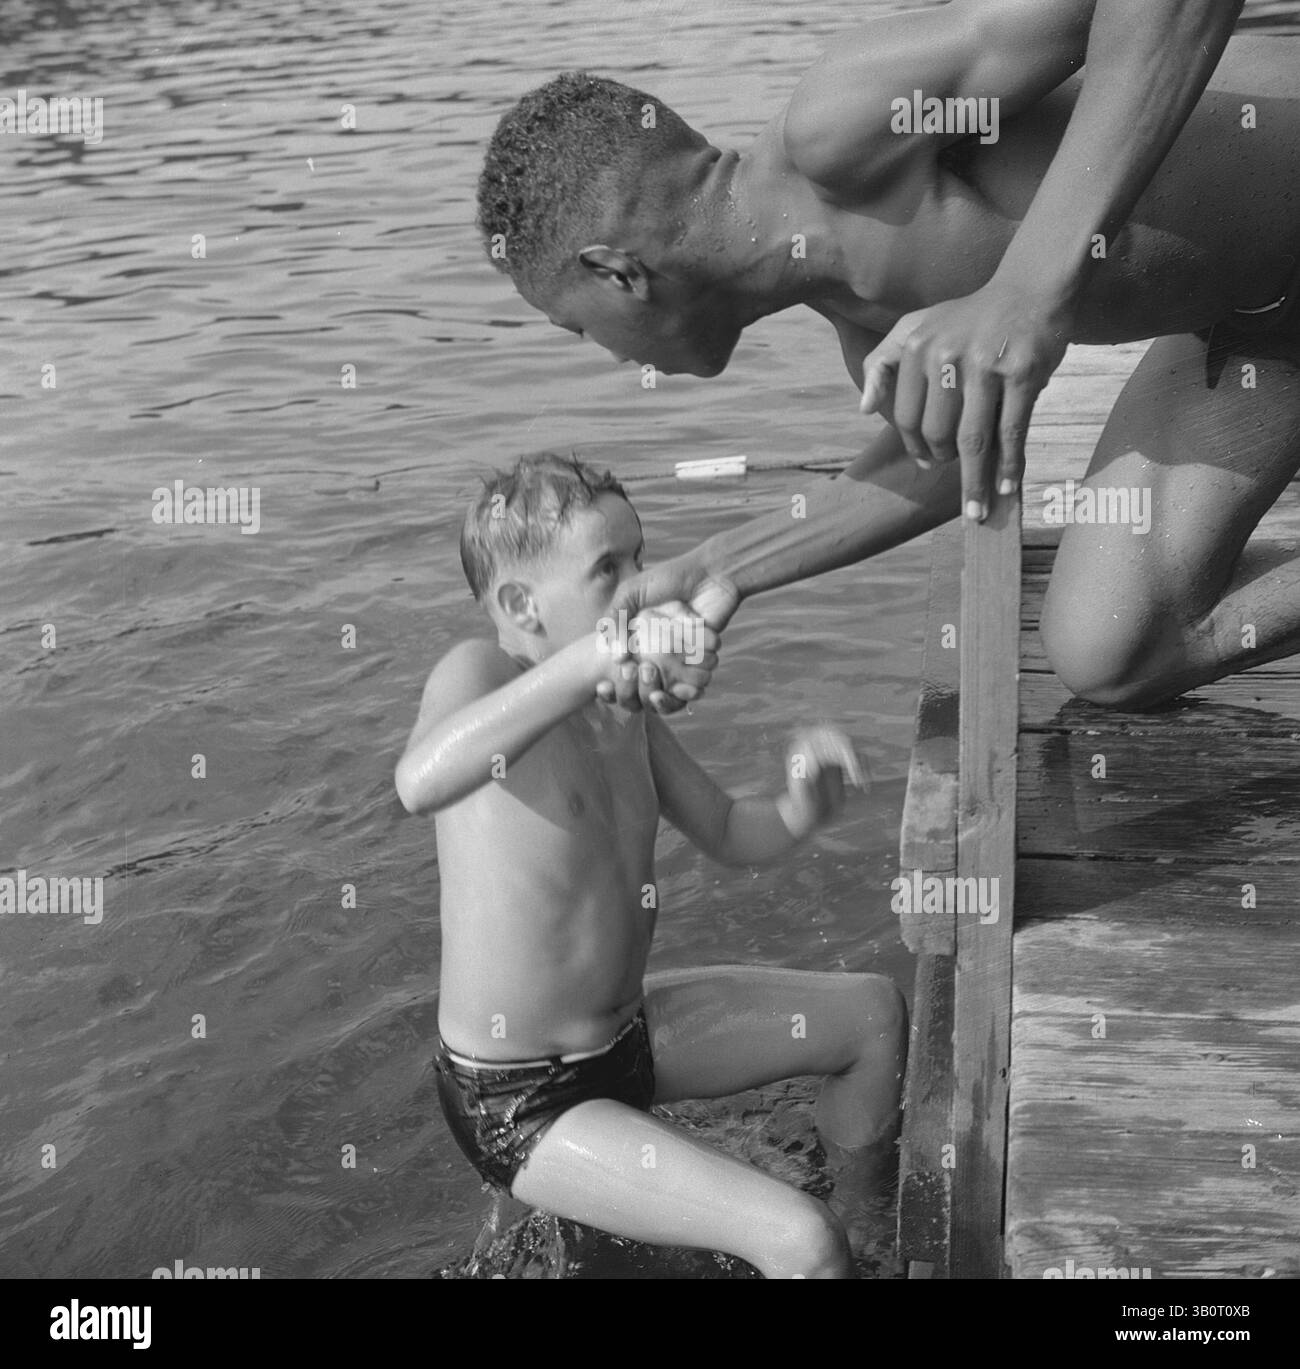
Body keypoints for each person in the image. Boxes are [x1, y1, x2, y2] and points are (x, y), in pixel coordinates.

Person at [476, 0, 1300, 712]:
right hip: (1263, 327)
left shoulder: (844, 128)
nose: (607, 356)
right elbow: (944, 466)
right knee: (1113, 648)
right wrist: (717, 567)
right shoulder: (859, 322)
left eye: (578, 329)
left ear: (616, 272)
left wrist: (1025, 290)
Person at [396, 452, 907, 1279]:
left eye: (641, 558)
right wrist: (595, 658)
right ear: (521, 605)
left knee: (873, 1017)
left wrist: (801, 804)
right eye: (609, 569)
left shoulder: (621, 711)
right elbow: (420, 781)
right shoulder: (479, 675)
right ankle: (820, 1250)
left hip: (626, 1040)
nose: (642, 584)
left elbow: (733, 832)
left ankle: (872, 1240)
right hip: (521, 1098)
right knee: (799, 1239)